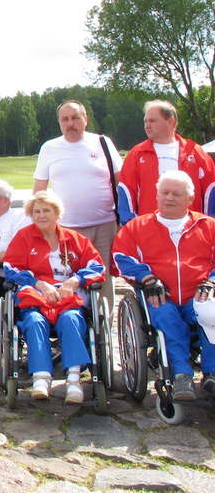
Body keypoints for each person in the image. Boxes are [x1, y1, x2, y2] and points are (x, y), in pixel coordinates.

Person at [112, 170, 215, 400]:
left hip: (198, 295)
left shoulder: (208, 225)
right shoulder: (137, 227)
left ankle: (212, 373)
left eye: (176, 194)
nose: (169, 198)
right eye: (164, 193)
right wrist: (146, 278)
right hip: (159, 296)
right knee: (166, 316)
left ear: (190, 199)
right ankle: (182, 376)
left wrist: (212, 280)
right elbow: (122, 257)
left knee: (212, 312)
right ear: (156, 196)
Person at [4, 190, 105, 404]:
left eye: (46, 210)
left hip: (68, 297)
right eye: (36, 211)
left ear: (57, 213)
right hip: (37, 297)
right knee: (33, 321)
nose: (41, 215)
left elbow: (97, 266)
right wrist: (39, 283)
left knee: (72, 320)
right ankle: (41, 378)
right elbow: (11, 268)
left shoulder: (75, 239)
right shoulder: (24, 237)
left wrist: (75, 281)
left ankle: (74, 379)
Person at [33, 100, 121, 304]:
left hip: (104, 226)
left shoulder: (103, 143)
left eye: (75, 118)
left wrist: (123, 219)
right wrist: (38, 223)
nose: (70, 123)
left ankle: (104, 328)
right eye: (65, 119)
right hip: (66, 229)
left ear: (85, 119)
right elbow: (39, 190)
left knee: (104, 279)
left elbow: (121, 183)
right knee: (68, 280)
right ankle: (77, 322)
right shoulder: (49, 148)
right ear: (59, 123)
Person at [118, 100, 215, 223]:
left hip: (190, 229)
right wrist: (128, 222)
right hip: (150, 228)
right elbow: (126, 189)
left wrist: (209, 223)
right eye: (146, 121)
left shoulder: (195, 152)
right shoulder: (137, 154)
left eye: (152, 121)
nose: (147, 126)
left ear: (170, 121)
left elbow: (211, 190)